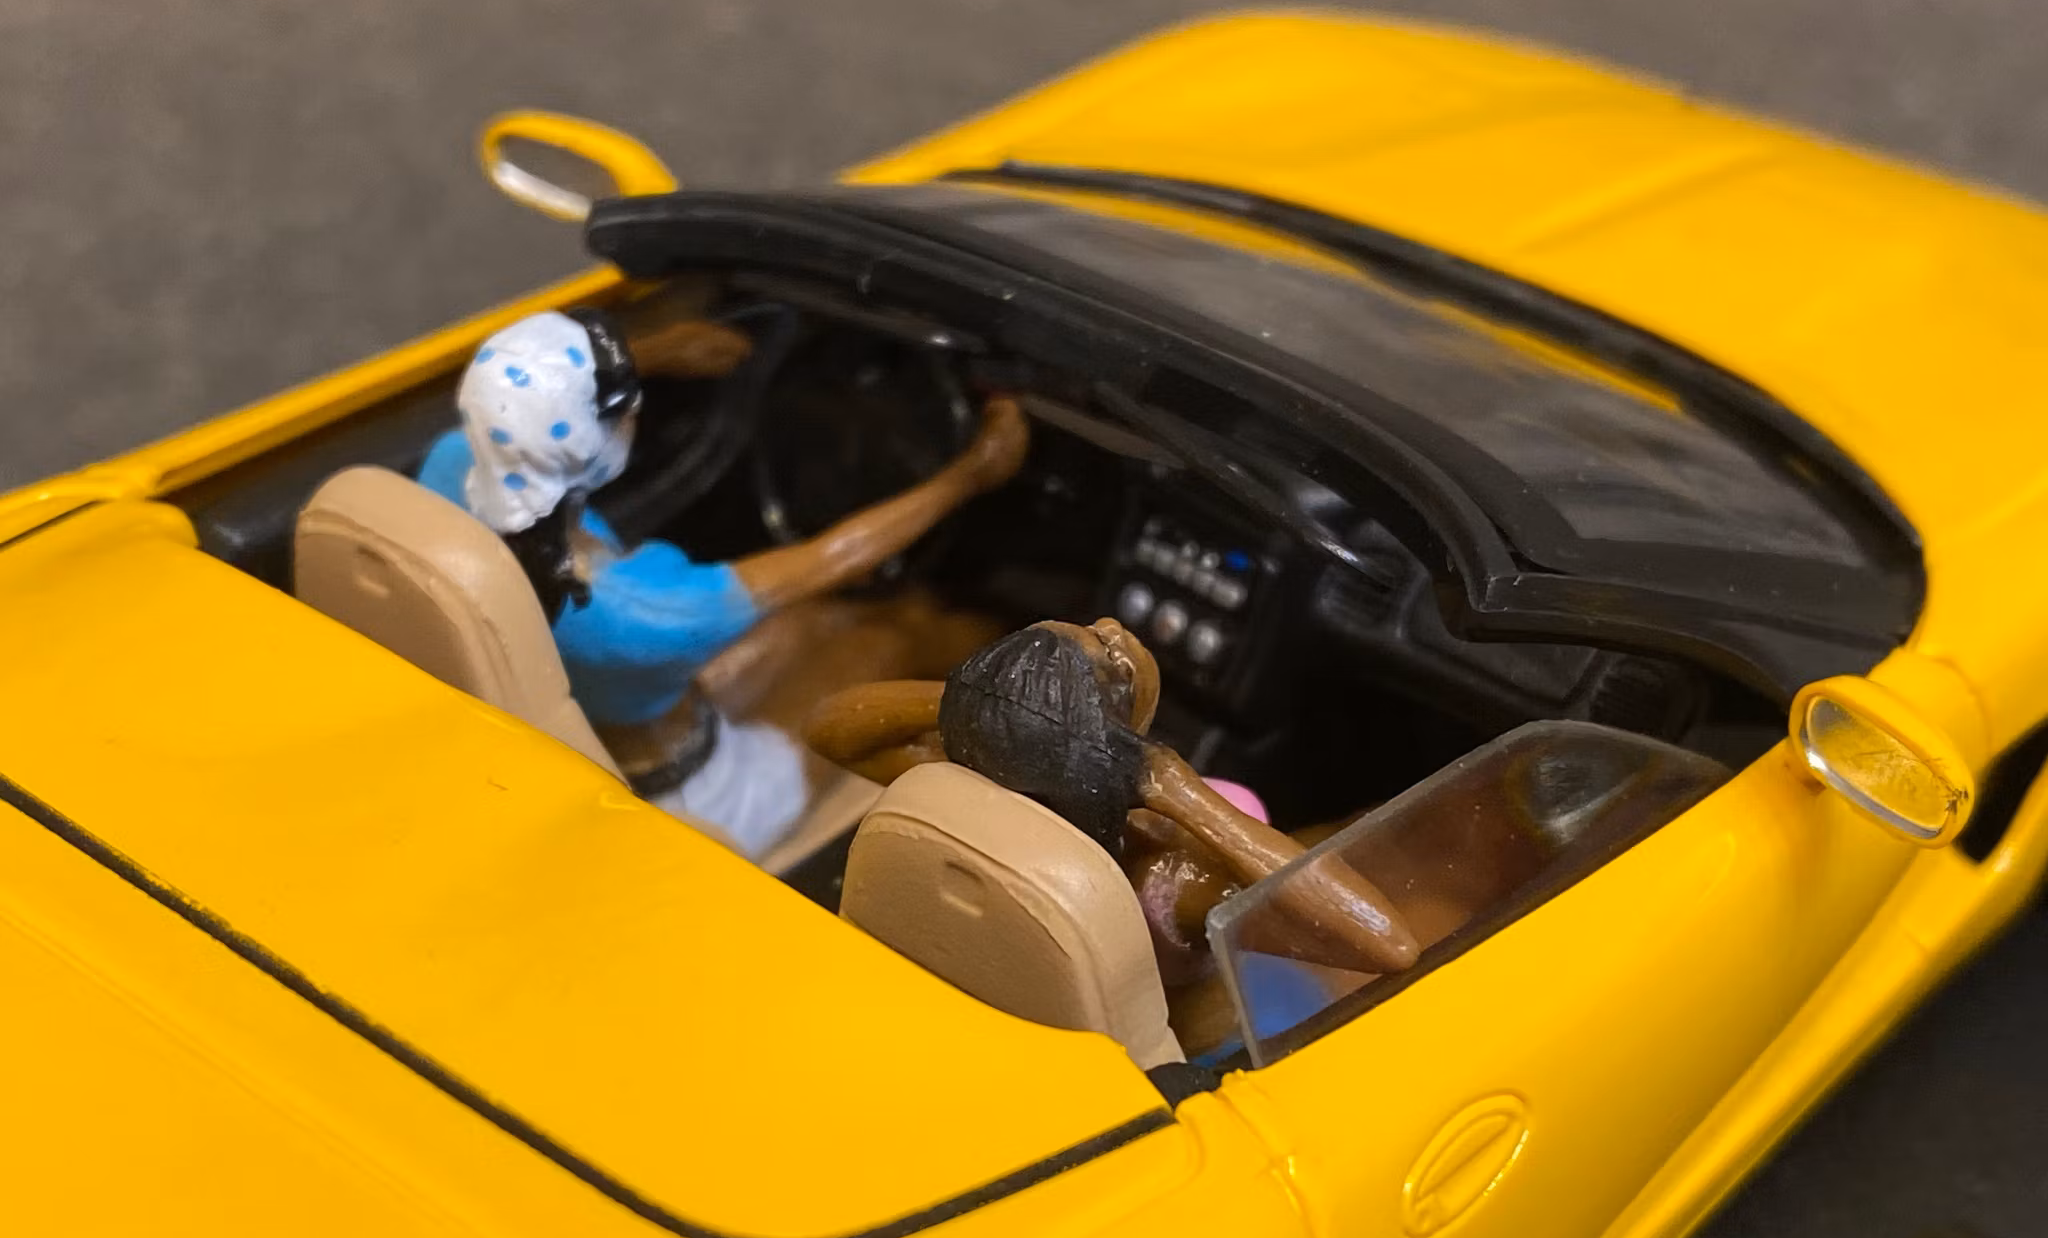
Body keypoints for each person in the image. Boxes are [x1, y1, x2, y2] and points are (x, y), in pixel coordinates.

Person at [417, 307, 1028, 856]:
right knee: (893, 637)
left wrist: (660, 352)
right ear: (596, 439)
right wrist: (971, 473)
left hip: (602, 710)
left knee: (818, 619)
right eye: (626, 410)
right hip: (696, 796)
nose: (637, 413)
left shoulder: (453, 466)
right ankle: (1010, 681)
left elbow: (518, 400)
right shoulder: (646, 613)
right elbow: (833, 558)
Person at [804, 619, 1420, 975]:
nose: (1113, 625)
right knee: (1369, 826)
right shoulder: (1172, 875)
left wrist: (990, 701)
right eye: (1113, 650)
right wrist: (1173, 785)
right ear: (1114, 731)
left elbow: (827, 727)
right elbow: (1388, 944)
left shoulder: (966, 784)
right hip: (1188, 1030)